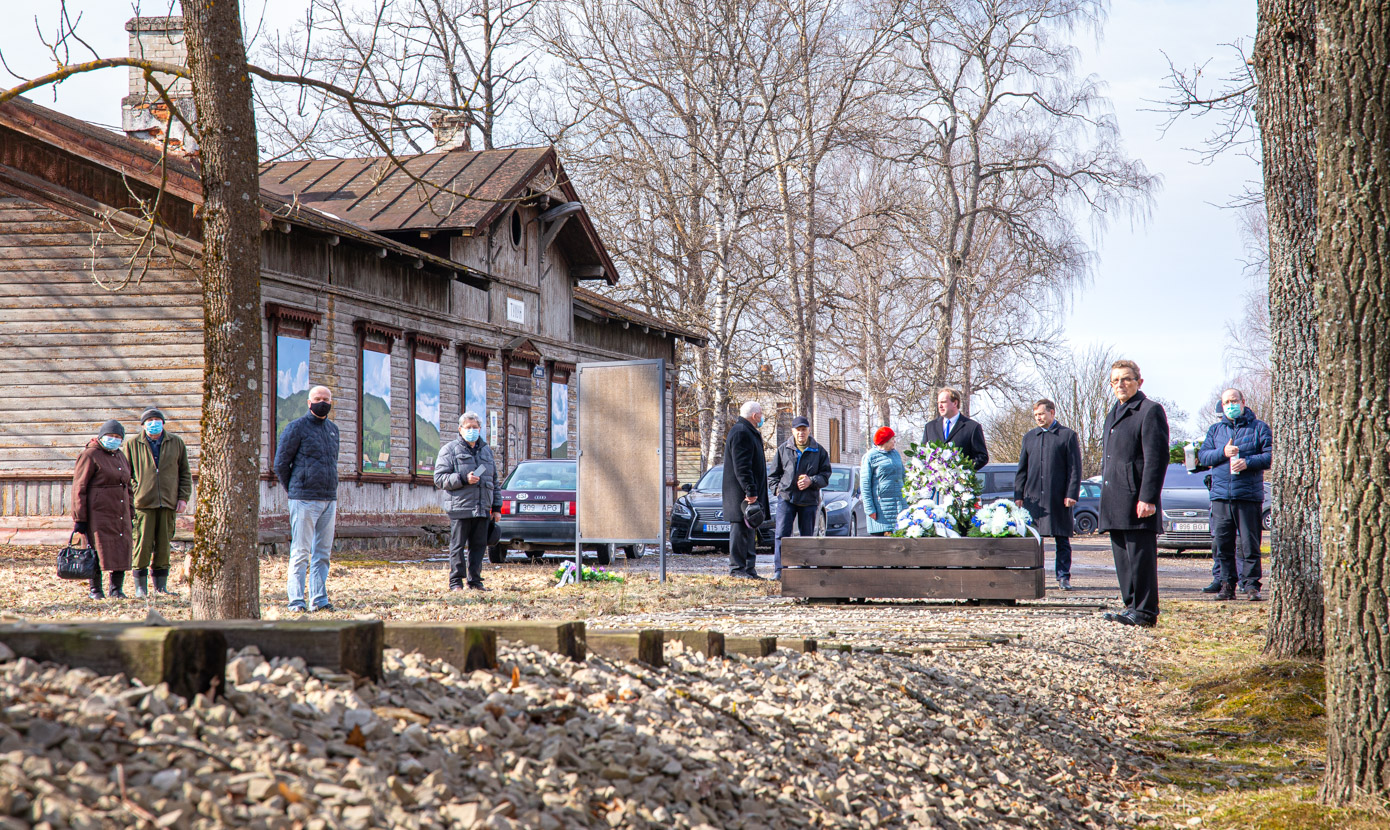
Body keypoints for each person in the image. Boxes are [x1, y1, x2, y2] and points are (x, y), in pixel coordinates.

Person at [1098, 360, 1169, 628]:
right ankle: (1131, 606)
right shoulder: (1114, 413)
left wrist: (1148, 498)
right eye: (1115, 381)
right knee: (1122, 556)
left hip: (1137, 497)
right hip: (1114, 496)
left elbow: (1156, 458)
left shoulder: (1149, 411)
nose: (1120, 385)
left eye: (1126, 379)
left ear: (1139, 382)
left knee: (1140, 556)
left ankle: (1145, 611)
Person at [1196, 389, 1273, 601]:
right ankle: (1227, 585)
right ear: (1222, 406)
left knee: (1249, 544)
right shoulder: (1215, 430)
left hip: (1248, 496)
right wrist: (1223, 452)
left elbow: (1269, 456)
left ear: (1243, 402)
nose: (1230, 405)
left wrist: (1248, 463)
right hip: (1220, 495)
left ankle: (1251, 586)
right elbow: (1203, 457)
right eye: (1226, 402)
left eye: (1234, 401)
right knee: (1223, 543)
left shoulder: (1259, 428)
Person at [274, 385, 340, 613]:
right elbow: (281, 464)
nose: (323, 402)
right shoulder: (296, 428)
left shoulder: (333, 430)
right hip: (303, 500)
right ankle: (296, 600)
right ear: (309, 402)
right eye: (318, 398)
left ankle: (319, 600)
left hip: (329, 499)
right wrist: (294, 489)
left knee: (322, 554)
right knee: (301, 552)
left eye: (326, 399)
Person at [1014, 399, 1083, 591]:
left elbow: (1075, 468)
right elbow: (1022, 469)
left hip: (1059, 497)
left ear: (1052, 412)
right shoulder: (1029, 437)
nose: (1038, 418)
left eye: (1042, 414)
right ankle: (1032, 575)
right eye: (1035, 415)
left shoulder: (1067, 436)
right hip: (1034, 499)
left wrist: (1071, 494)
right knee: (1034, 539)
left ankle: (1063, 577)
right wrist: (1018, 495)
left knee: (1062, 538)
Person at [121, 408, 191, 598]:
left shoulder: (176, 443)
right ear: (143, 425)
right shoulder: (132, 444)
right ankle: (140, 588)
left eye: (157, 420)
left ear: (163, 423)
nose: (154, 423)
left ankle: (161, 587)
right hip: (143, 503)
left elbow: (185, 473)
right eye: (149, 420)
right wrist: (136, 492)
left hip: (168, 502)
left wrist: (183, 498)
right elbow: (126, 475)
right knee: (142, 545)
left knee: (164, 546)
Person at [433, 411, 502, 592]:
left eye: (475, 427)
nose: (472, 430)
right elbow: (439, 478)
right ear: (460, 430)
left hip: (482, 508)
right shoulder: (450, 450)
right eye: (468, 427)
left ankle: (475, 582)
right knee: (457, 547)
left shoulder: (486, 451)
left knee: (478, 546)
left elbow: (494, 481)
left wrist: (496, 507)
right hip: (460, 507)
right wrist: (464, 478)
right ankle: (456, 582)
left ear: (480, 429)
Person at [72, 420, 134, 600]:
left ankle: (116, 589)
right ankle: (95, 590)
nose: (113, 440)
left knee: (121, 548)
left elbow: (128, 486)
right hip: (97, 514)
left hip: (120, 512)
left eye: (117, 437)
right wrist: (80, 518)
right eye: (110, 436)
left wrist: (130, 509)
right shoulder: (90, 455)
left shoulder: (120, 456)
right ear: (101, 436)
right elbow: (79, 487)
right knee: (96, 550)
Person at [768, 415, 831, 579]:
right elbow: (773, 476)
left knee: (807, 537)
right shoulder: (783, 449)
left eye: (804, 430)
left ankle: (805, 569)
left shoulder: (819, 451)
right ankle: (780, 571)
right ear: (793, 431)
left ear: (809, 430)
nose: (801, 433)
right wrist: (777, 490)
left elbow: (825, 476)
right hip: (787, 499)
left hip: (809, 500)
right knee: (781, 535)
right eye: (798, 430)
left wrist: (812, 481)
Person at [723, 401, 770, 579]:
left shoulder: (748, 431)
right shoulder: (741, 432)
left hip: (747, 495)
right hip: (741, 496)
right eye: (761, 413)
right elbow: (742, 466)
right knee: (740, 531)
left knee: (749, 531)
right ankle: (737, 569)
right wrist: (750, 491)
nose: (762, 417)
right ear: (754, 415)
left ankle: (749, 569)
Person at [920, 387, 989, 469]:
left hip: (960, 480)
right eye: (938, 403)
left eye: (943, 402)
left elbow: (982, 457)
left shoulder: (972, 427)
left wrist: (963, 470)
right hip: (935, 480)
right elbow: (922, 454)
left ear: (955, 403)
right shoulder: (930, 427)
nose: (940, 406)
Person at [862, 427, 906, 536]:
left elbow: (903, 476)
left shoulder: (895, 454)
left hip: (900, 506)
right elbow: (865, 484)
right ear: (885, 441)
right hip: (881, 510)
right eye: (892, 439)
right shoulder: (870, 457)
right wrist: (869, 509)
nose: (894, 441)